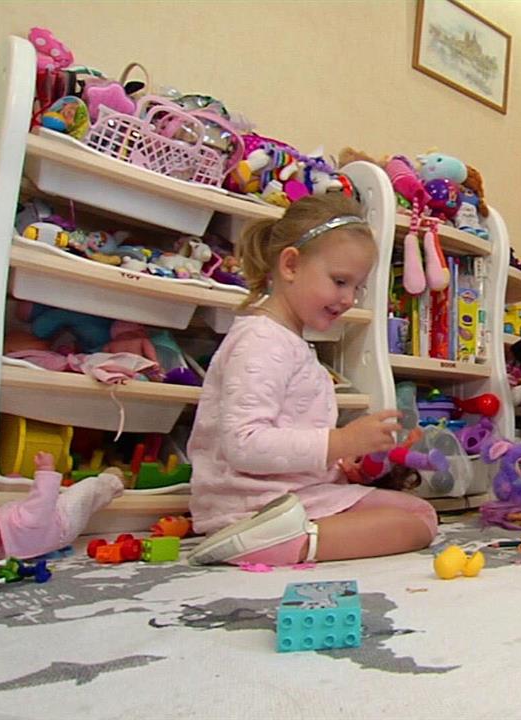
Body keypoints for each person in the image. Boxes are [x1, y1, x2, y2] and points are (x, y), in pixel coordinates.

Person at [187, 193, 437, 566]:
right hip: (254, 504)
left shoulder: (287, 341)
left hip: (288, 494)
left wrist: (340, 461)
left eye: (357, 288)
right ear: (290, 265)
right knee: (415, 521)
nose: (349, 299)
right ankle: (279, 542)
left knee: (418, 514)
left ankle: (286, 538)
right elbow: (244, 444)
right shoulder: (260, 340)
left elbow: (291, 435)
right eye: (340, 281)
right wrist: (340, 441)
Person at [0, 452, 123, 567]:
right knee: (86, 491)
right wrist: (46, 471)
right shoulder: (23, 523)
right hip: (63, 521)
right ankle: (112, 482)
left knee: (29, 505)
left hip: (44, 530)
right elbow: (43, 499)